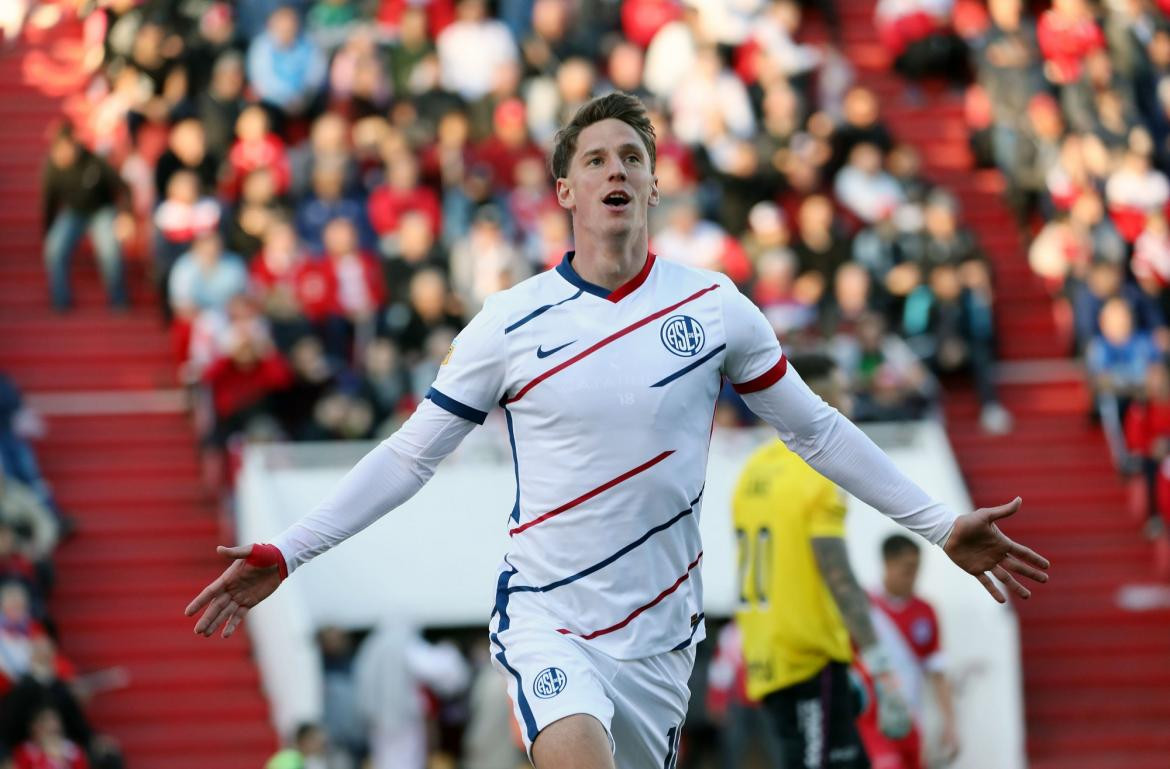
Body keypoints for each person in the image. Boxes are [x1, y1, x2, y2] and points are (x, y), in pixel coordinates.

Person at [187, 93, 1050, 769]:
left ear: (652, 183)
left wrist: (940, 525)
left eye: (632, 157)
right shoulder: (508, 322)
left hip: (662, 638)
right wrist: (290, 550)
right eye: (596, 157)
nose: (616, 169)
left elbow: (817, 431)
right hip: (547, 614)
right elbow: (411, 454)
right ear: (565, 190)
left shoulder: (714, 308)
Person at [730, 354, 914, 769]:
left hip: (766, 656)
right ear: (817, 398)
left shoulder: (753, 470)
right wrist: (881, 668)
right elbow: (838, 574)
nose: (848, 402)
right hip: (807, 660)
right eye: (841, 392)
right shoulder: (818, 470)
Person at [857, 535, 959, 769]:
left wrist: (950, 724)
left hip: (913, 723)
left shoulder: (926, 611)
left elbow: (937, 672)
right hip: (875, 724)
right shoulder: (863, 609)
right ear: (887, 564)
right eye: (907, 569)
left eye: (917, 569)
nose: (913, 576)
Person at [40, 124, 130, 311]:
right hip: (74, 212)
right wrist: (48, 232)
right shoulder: (52, 168)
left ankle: (118, 299)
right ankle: (60, 300)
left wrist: (125, 215)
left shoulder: (94, 162)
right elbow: (49, 202)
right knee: (54, 249)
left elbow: (123, 187)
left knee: (109, 250)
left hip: (101, 210)